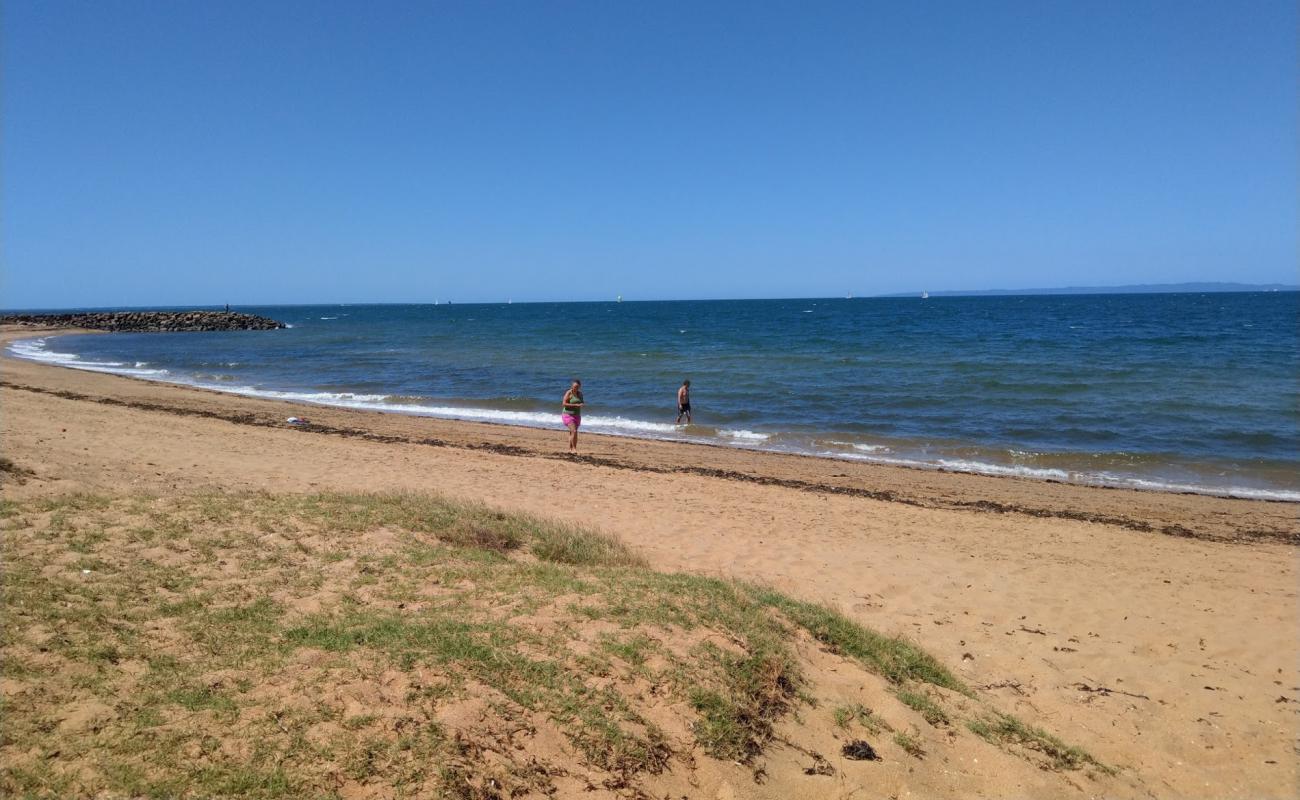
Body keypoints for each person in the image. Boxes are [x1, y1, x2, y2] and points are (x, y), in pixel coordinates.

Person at [561, 378, 584, 452]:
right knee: (574, 431)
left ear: (579, 386)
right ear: (572, 386)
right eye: (574, 386)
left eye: (577, 387)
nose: (575, 388)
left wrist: (581, 404)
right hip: (568, 414)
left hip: (577, 415)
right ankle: (574, 449)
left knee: (572, 432)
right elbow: (563, 404)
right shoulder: (569, 393)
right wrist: (575, 405)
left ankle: (570, 449)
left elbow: (582, 402)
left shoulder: (580, 394)